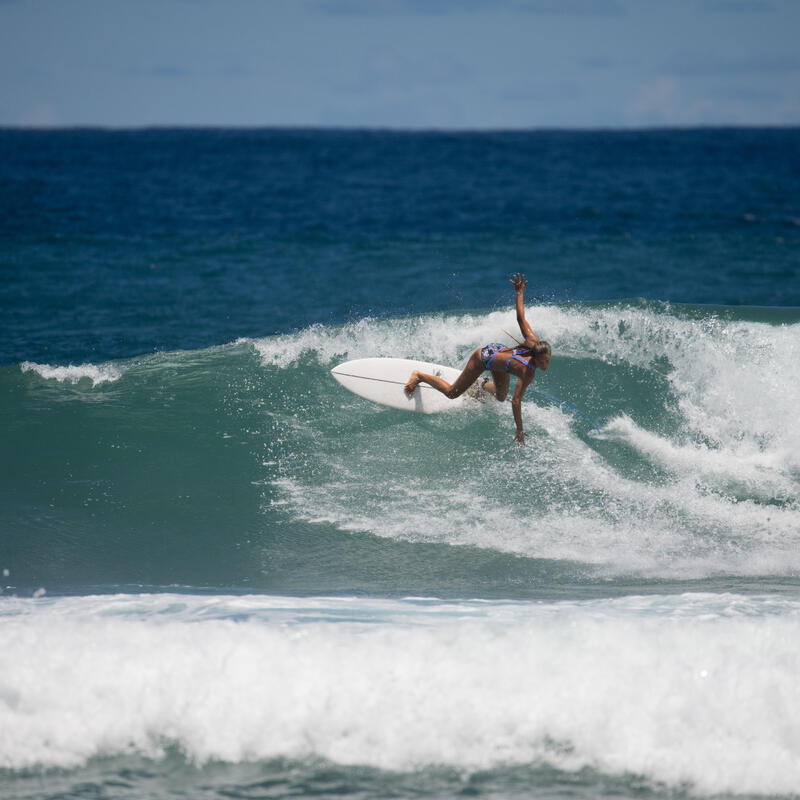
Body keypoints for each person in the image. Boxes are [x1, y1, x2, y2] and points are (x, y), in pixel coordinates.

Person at [404, 273, 551, 444]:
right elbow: (516, 401)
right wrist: (519, 428)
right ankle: (419, 376)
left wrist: (519, 293)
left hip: (499, 356)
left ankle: (479, 384)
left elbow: (521, 318)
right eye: (542, 362)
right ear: (535, 357)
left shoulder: (535, 342)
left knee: (501, 396)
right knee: (452, 393)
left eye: (547, 360)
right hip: (483, 358)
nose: (545, 364)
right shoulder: (528, 371)